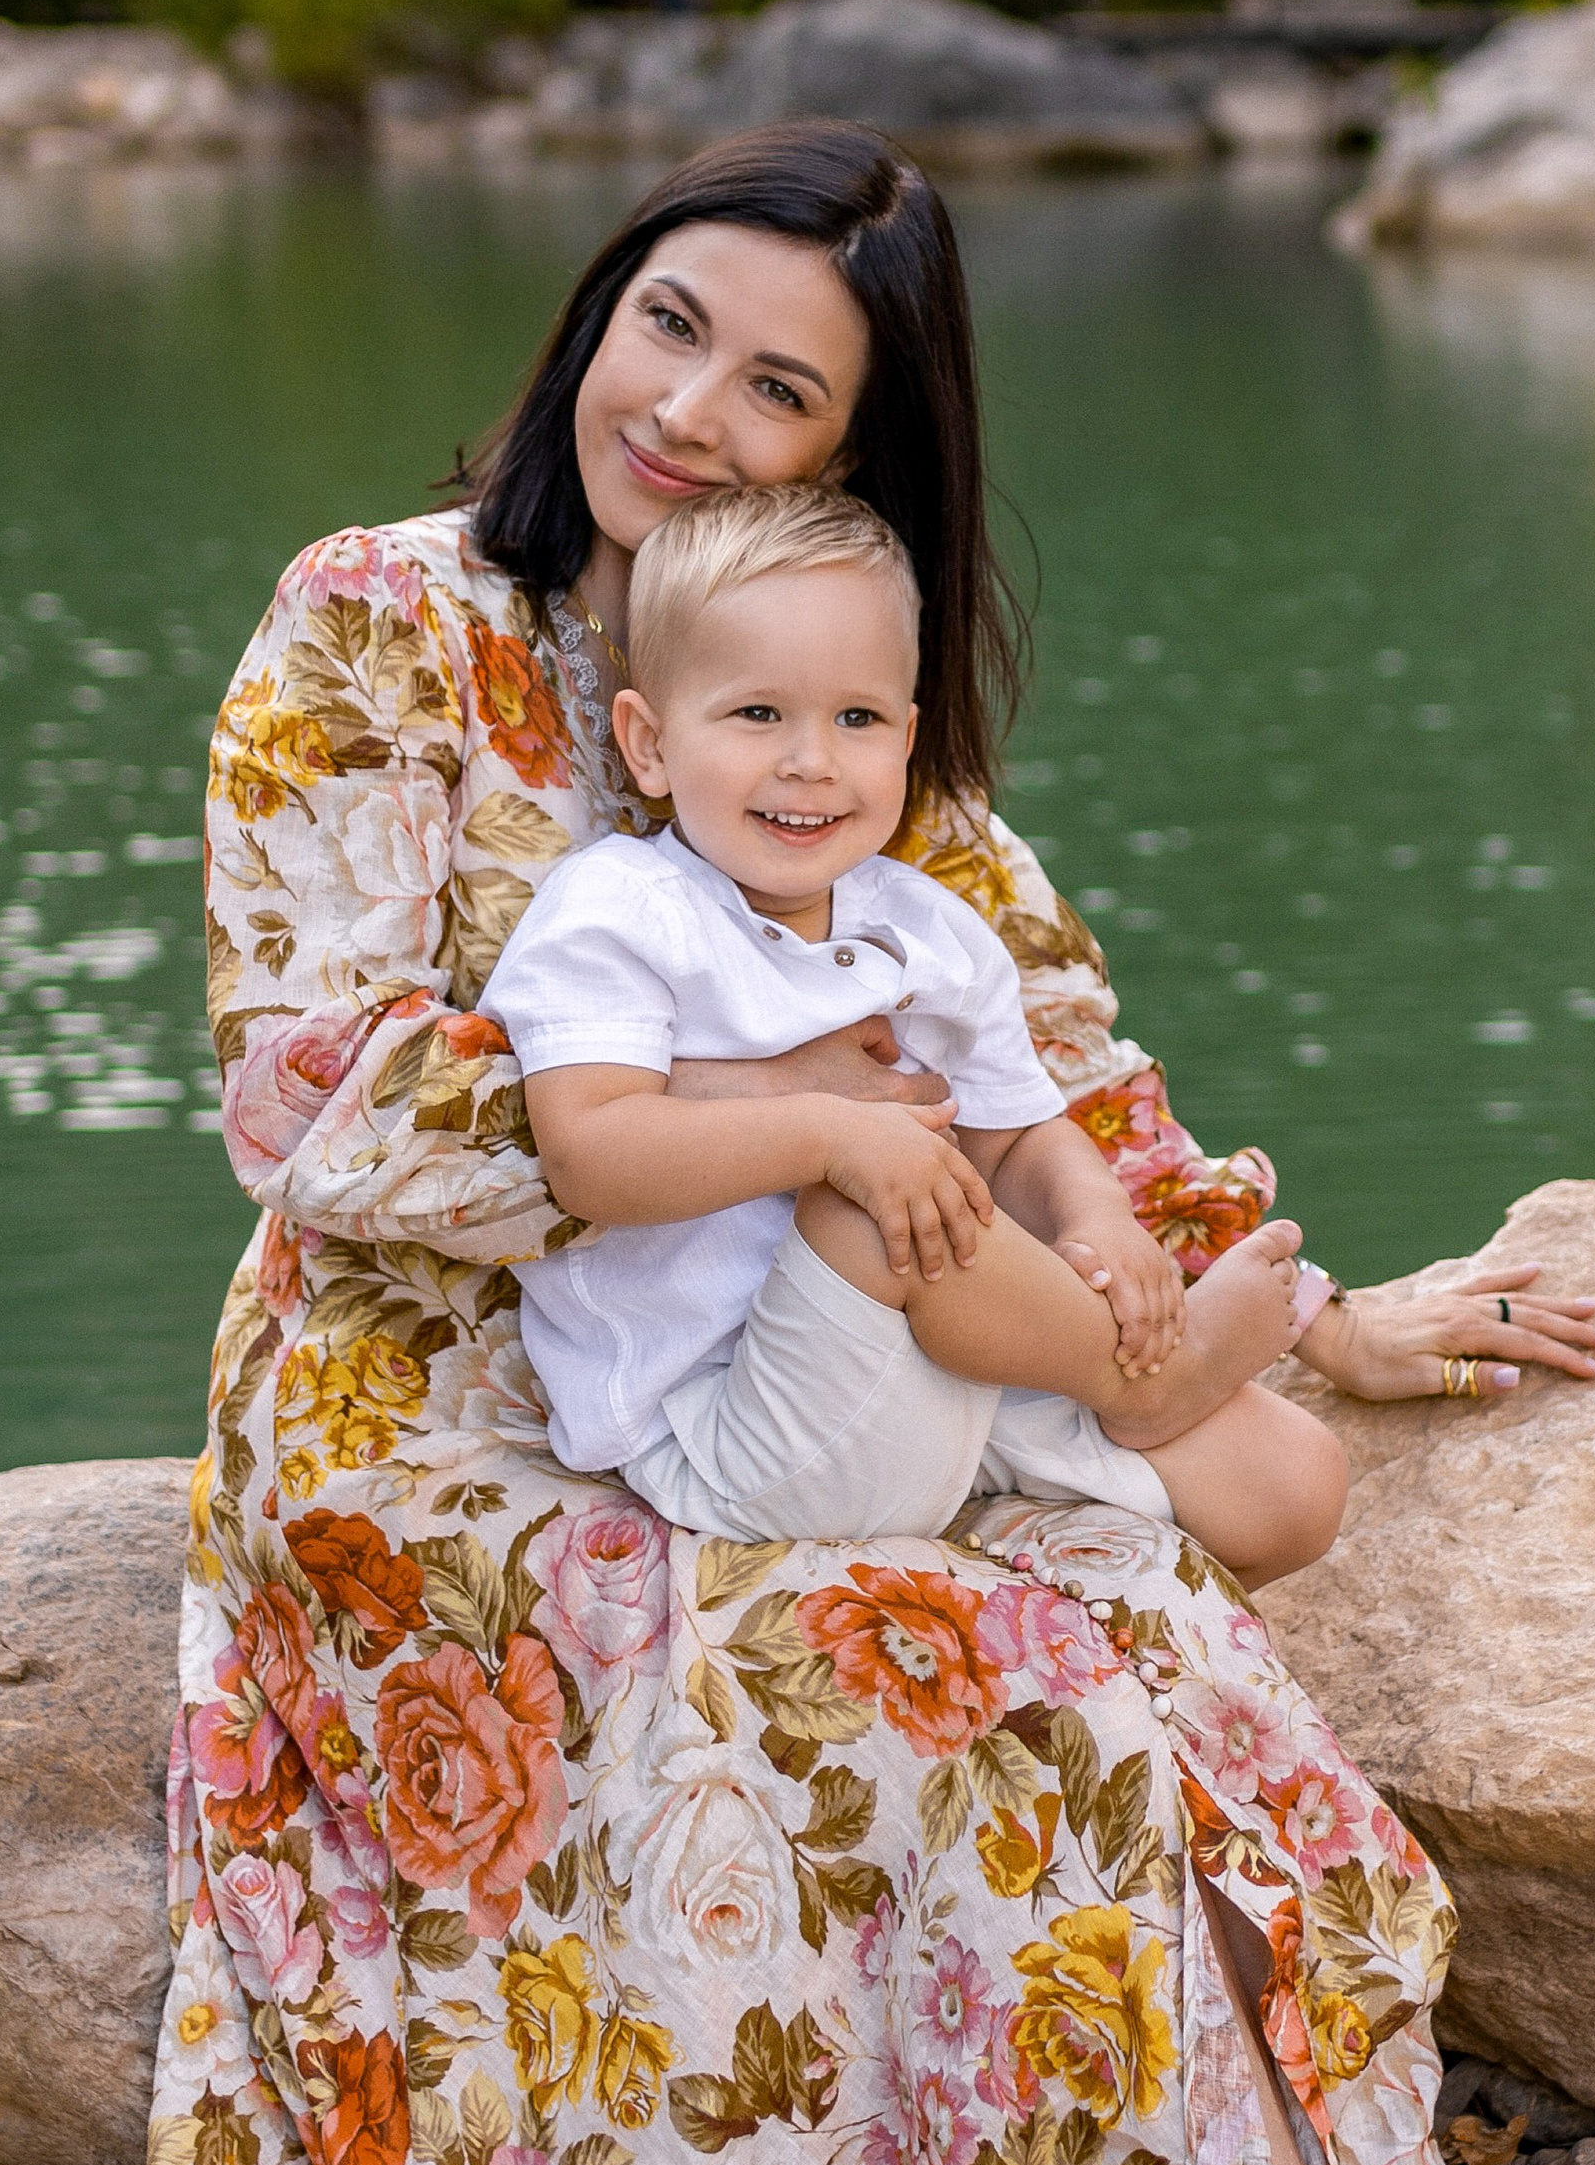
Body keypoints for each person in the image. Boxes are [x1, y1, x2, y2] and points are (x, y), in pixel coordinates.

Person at [138, 118, 1595, 2165]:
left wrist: (1309, 1306)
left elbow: (1042, 1061)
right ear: (598, 303)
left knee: (1155, 1646)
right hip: (432, 1400)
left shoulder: (834, 684)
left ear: (848, 457)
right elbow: (303, 1102)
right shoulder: (374, 617)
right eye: (670, 321)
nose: (686, 406)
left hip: (856, 1323)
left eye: (775, 384)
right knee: (954, 1673)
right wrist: (763, 1123)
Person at [480, 480, 1349, 1581]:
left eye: (856, 718)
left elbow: (1016, 1134)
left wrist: (1099, 1219)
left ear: (907, 736)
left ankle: (1114, 1386)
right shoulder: (622, 911)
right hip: (736, 1436)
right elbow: (587, 1150)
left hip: (925, 1394)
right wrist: (833, 1135)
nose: (810, 760)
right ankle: (1141, 1378)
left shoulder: (928, 928)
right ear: (649, 743)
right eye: (756, 714)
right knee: (875, 1184)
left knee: (1292, 1483)